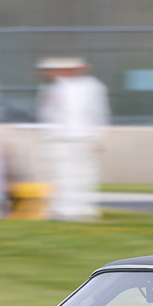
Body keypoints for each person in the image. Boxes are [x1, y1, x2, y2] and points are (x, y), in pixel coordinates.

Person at [36, 57, 110, 220]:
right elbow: (48, 114)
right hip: (61, 139)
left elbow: (99, 113)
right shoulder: (55, 88)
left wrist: (99, 137)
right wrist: (49, 137)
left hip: (84, 137)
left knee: (85, 176)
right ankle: (63, 209)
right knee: (62, 175)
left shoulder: (93, 86)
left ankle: (84, 209)